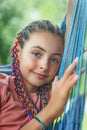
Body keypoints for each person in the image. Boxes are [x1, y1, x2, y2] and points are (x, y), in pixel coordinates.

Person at [0, 20, 79, 130]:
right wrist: (50, 111)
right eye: (36, 54)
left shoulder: (52, 92)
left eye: (54, 60)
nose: (45, 66)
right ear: (18, 52)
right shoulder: (3, 88)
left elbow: (73, 26)